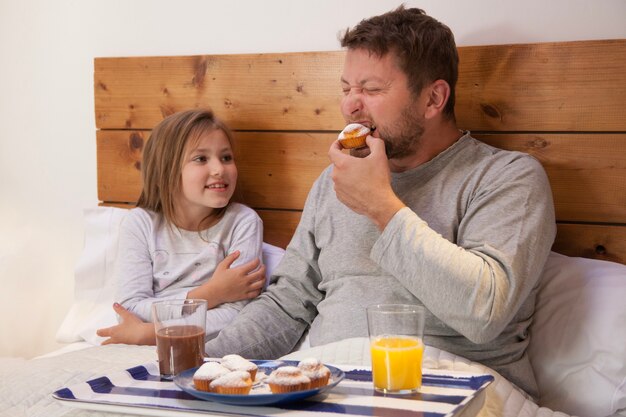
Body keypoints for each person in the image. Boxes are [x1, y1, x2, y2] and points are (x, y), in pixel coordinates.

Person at [96, 109, 266, 346]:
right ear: (167, 169)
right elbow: (129, 308)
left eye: (226, 157)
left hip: (202, 347)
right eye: (201, 159)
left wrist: (150, 333)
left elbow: (240, 315)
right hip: (142, 344)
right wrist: (213, 293)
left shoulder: (243, 223)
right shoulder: (140, 223)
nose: (219, 169)